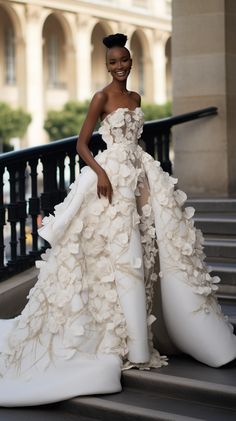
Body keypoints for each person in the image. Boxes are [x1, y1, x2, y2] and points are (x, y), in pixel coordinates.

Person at [0, 33, 235, 407]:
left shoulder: (137, 98)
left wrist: (146, 180)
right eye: (112, 62)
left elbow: (136, 142)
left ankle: (149, 332)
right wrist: (101, 174)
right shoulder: (102, 97)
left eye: (124, 61)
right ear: (106, 64)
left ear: (131, 61)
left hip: (140, 175)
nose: (119, 67)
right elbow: (81, 144)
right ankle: (126, 338)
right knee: (118, 253)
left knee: (149, 249)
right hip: (111, 178)